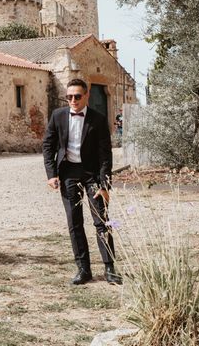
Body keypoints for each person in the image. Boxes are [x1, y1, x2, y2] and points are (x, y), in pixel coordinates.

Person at [42, 78, 121, 285]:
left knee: (101, 221)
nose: (73, 100)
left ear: (86, 96)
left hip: (92, 174)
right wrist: (51, 174)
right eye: (69, 97)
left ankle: (110, 268)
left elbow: (106, 155)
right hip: (68, 172)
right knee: (74, 223)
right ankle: (83, 269)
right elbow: (48, 146)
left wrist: (104, 185)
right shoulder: (58, 116)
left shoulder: (98, 119)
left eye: (77, 96)